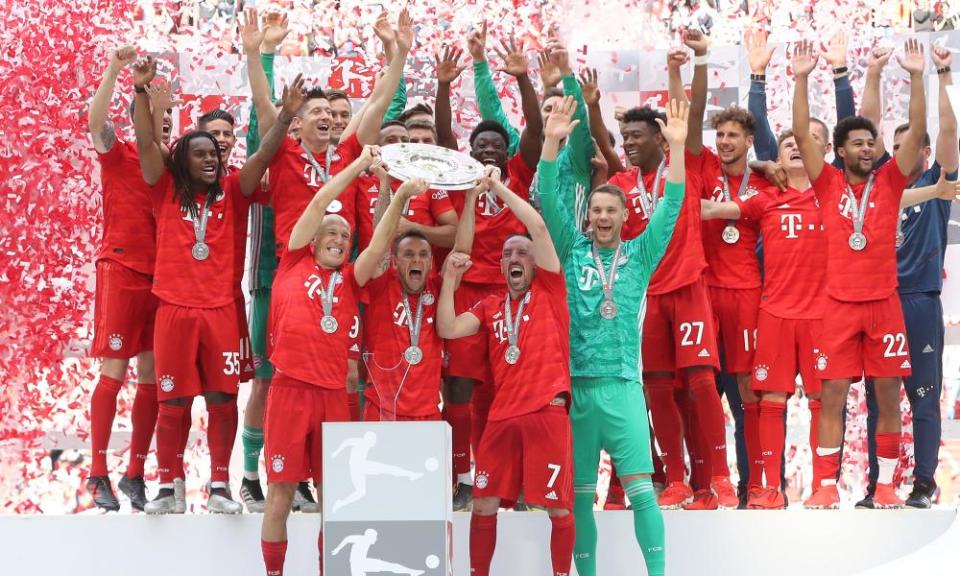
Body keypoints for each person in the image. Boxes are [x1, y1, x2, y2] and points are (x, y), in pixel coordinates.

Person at [131, 56, 300, 514]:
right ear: (182, 160)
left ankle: (221, 486)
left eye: (216, 153)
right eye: (201, 154)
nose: (212, 159)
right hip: (173, 309)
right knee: (173, 401)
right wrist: (141, 94)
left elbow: (263, 154)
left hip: (223, 311)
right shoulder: (163, 188)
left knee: (224, 399)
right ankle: (169, 487)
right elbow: (145, 141)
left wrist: (284, 115)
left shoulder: (235, 191)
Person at [260, 141, 428, 575]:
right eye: (331, 233)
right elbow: (318, 202)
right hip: (290, 392)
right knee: (279, 495)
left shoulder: (354, 280)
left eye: (345, 236)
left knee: (334, 501)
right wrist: (359, 165)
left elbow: (379, 245)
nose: (338, 239)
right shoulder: (292, 262)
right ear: (313, 239)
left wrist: (403, 194)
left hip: (336, 399)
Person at [540, 96, 689, 576]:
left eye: (611, 210)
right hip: (578, 387)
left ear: (625, 217)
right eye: (597, 210)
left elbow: (672, 206)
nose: (603, 217)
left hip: (625, 388)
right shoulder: (571, 249)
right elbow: (547, 196)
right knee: (581, 495)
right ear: (589, 217)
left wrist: (679, 150)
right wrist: (550, 141)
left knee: (643, 491)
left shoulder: (641, 256)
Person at [792, 37, 927, 509]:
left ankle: (887, 483)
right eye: (859, 143)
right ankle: (824, 485)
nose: (868, 149)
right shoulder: (826, 182)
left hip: (883, 304)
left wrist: (914, 77)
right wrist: (803, 78)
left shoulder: (890, 182)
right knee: (832, 395)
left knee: (889, 396)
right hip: (837, 307)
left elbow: (917, 135)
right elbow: (799, 130)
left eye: (872, 143)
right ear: (840, 150)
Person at [438, 164, 573, 576]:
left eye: (522, 253)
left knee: (557, 505)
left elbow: (538, 227)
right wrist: (449, 281)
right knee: (483, 503)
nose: (515, 258)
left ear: (535, 263)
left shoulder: (551, 289)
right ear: (501, 266)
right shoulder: (490, 305)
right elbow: (447, 327)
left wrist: (495, 186)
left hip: (546, 413)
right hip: (500, 418)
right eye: (507, 255)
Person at [441, 24, 543, 510]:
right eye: (479, 145)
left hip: (510, 295)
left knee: (509, 385)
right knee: (462, 387)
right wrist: (444, 86)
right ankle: (465, 477)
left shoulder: (519, 174)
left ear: (507, 153)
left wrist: (523, 81)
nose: (487, 150)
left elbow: (538, 132)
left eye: (495, 145)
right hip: (466, 293)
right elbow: (443, 136)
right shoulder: (461, 178)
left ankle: (514, 481)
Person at [860, 44, 959, 509]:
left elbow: (948, 131)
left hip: (919, 301)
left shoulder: (938, 185)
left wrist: (939, 73)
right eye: (891, 149)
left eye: (906, 148)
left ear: (923, 153)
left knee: (923, 396)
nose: (896, 155)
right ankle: (877, 484)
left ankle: (923, 482)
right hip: (877, 303)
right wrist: (874, 73)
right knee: (878, 402)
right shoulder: (877, 189)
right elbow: (866, 127)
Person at [86, 45, 171, 511]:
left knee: (153, 377)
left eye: (168, 117)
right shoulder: (117, 156)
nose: (162, 122)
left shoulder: (177, 166)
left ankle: (136, 472)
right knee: (114, 370)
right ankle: (98, 472)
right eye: (155, 113)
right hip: (121, 269)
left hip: (165, 282)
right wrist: (115, 70)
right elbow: (96, 121)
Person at [681, 29, 760, 509]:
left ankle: (756, 486)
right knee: (701, 395)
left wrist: (718, 211)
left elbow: (743, 214)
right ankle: (707, 484)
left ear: (749, 141)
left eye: (734, 135)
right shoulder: (703, 165)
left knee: (747, 398)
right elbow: (691, 119)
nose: (725, 141)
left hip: (747, 296)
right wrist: (702, 60)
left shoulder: (765, 179)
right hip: (704, 293)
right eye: (721, 135)